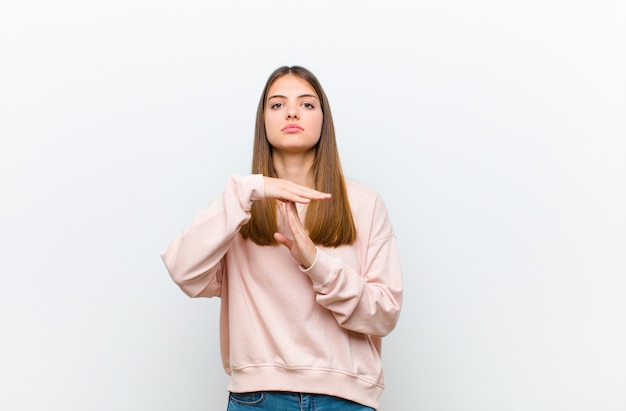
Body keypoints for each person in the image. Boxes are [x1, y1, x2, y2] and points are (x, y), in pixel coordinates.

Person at [161, 65, 403, 411]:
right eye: (277, 105)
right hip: (257, 398)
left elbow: (383, 316)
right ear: (263, 122)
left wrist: (315, 262)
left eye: (307, 104)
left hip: (346, 400)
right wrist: (249, 188)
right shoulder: (238, 206)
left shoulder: (364, 203)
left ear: (324, 120)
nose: (291, 111)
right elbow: (183, 271)